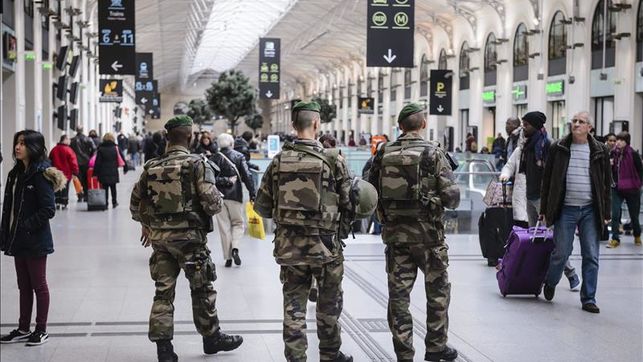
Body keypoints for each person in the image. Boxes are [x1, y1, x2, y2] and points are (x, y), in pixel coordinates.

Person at [129, 115, 243, 362]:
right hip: (191, 240)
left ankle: (164, 350)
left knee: (163, 292)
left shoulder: (151, 166)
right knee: (201, 289)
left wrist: (147, 224)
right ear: (190, 137)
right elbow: (212, 204)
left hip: (161, 241)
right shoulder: (197, 164)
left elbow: (135, 202)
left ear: (167, 137)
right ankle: (211, 338)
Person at [254, 101, 353, 362]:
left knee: (294, 306)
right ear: (317, 124)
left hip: (289, 247)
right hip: (326, 247)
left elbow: (262, 207)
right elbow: (350, 203)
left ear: (293, 125)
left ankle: (296, 358)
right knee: (329, 304)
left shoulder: (278, 162)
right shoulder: (333, 160)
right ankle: (330, 354)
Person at [368, 103, 460, 362]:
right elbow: (452, 197)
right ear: (423, 124)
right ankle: (436, 348)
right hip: (429, 237)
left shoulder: (383, 152)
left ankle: (404, 354)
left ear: (400, 126)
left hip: (396, 237)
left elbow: (369, 191)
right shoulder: (433, 152)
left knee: (398, 297)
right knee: (438, 293)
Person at [540, 111, 611, 314]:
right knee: (561, 252)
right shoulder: (559, 147)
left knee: (591, 255)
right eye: (574, 121)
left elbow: (606, 183)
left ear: (590, 127)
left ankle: (588, 298)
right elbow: (548, 180)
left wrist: (606, 211)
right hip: (565, 208)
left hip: (590, 209)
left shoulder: (600, 150)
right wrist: (544, 209)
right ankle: (551, 281)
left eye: (581, 122)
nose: (576, 124)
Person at [500, 112, 580, 290]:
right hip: (530, 197)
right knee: (536, 238)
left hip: (545, 201)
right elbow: (511, 164)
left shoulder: (547, 145)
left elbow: (555, 174)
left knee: (552, 240)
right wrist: (505, 175)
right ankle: (538, 272)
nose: (524, 127)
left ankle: (571, 274)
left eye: (526, 124)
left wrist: (551, 201)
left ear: (536, 126)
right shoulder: (525, 145)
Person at [0, 130, 66, 346]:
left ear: (34, 147)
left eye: (23, 144)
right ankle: (22, 328)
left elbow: (48, 209)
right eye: (16, 143)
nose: (18, 147)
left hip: (35, 239)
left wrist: (26, 226)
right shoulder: (15, 173)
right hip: (17, 239)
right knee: (23, 286)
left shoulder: (40, 174)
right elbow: (9, 209)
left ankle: (41, 329)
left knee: (39, 285)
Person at [214, 133, 257, 267]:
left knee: (224, 227)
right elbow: (247, 175)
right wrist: (252, 193)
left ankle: (227, 258)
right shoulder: (239, 157)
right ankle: (235, 248)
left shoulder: (213, 158)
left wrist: (222, 180)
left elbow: (209, 179)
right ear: (231, 143)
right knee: (238, 223)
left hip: (219, 196)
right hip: (235, 196)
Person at [607, 131, 643, 248]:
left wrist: (639, 184)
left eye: (621, 140)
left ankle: (637, 235)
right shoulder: (613, 154)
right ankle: (615, 238)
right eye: (617, 139)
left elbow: (640, 170)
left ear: (626, 142)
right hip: (617, 188)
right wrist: (609, 164)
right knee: (615, 214)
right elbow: (608, 170)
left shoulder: (633, 154)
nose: (618, 142)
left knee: (634, 215)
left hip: (632, 189)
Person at [94, 133, 126, 208]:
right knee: (113, 188)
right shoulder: (116, 148)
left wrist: (95, 173)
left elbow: (97, 162)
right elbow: (122, 158)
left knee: (104, 188)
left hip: (103, 171)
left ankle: (105, 203)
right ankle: (114, 202)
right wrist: (125, 168)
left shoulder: (101, 149)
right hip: (113, 171)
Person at [48, 135, 79, 209]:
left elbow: (49, 160)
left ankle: (57, 202)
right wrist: (75, 171)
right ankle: (64, 203)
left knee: (57, 187)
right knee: (65, 188)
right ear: (64, 140)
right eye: (68, 139)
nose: (70, 141)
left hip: (56, 173)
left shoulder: (54, 149)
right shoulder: (69, 150)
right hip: (66, 173)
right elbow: (73, 162)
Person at [70, 127, 96, 202]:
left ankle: (80, 195)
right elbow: (94, 149)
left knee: (77, 179)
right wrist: (90, 157)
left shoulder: (72, 140)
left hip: (76, 162)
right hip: (86, 162)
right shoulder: (88, 139)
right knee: (85, 179)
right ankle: (86, 195)